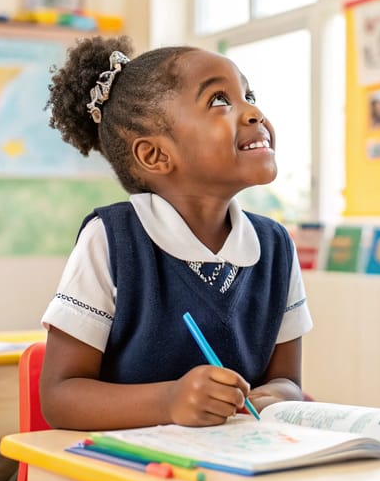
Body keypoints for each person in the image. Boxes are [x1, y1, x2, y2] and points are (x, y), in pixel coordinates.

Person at [40, 35, 312, 430]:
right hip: (132, 474)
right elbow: (59, 396)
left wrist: (280, 396)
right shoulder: (111, 240)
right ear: (155, 155)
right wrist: (169, 401)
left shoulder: (275, 247)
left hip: (238, 471)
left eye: (249, 95)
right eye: (220, 100)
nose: (253, 111)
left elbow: (287, 381)